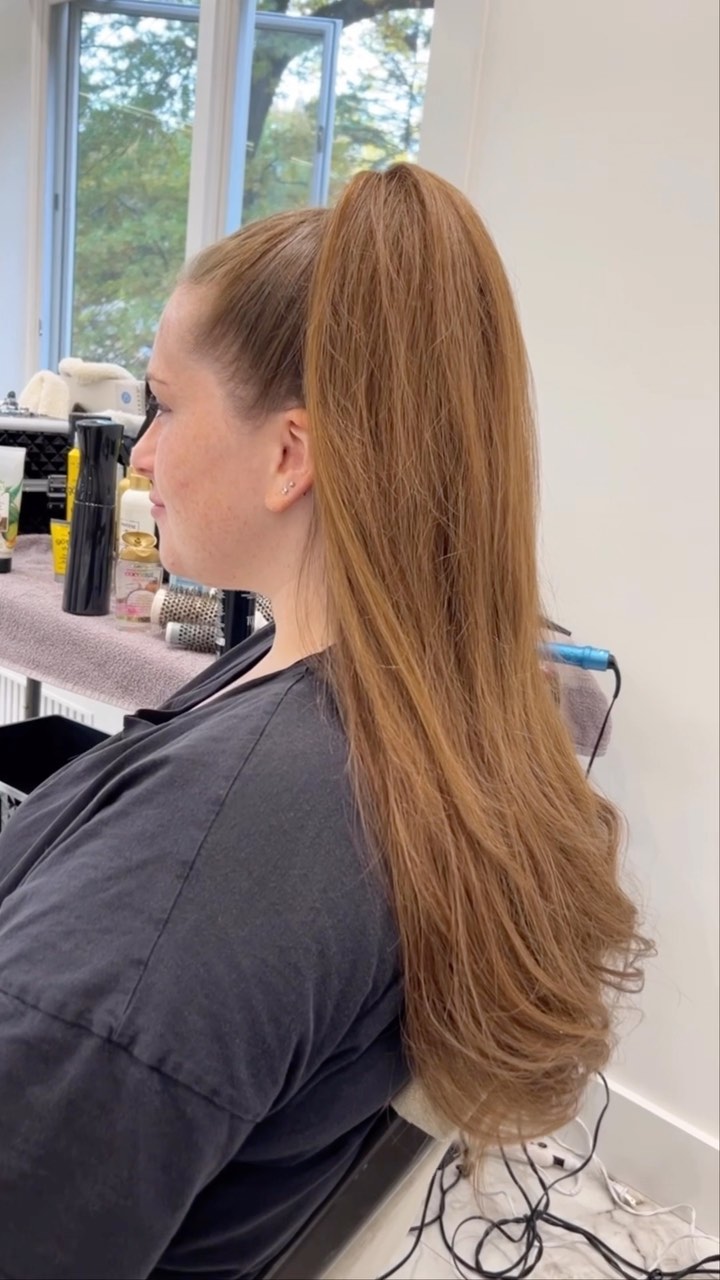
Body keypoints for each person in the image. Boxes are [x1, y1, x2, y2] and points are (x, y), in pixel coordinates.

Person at [0, 164, 650, 1278]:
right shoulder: (407, 697)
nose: (142, 452)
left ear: (291, 454)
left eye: (165, 403)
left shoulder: (213, 859)